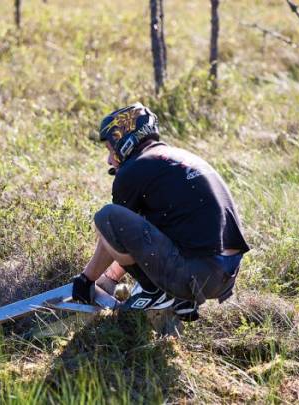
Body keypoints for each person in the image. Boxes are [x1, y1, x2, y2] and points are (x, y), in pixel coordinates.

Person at [71, 103, 250, 321]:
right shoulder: (175, 157)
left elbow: (116, 233)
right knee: (149, 220)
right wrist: (111, 278)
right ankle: (181, 297)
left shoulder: (133, 169)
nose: (109, 159)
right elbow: (145, 235)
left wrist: (87, 278)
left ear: (124, 139)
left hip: (196, 272)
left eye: (110, 149)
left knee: (107, 216)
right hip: (223, 276)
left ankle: (158, 291)